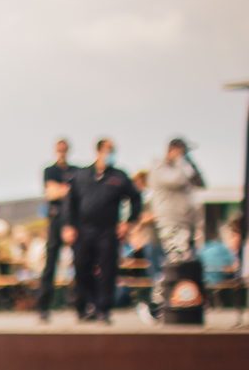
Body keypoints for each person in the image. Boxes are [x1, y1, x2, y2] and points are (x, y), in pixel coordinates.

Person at [63, 138, 144, 323]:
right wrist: (69, 226)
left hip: (108, 230)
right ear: (98, 151)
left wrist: (128, 222)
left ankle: (103, 309)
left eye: (112, 150)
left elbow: (136, 199)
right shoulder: (81, 175)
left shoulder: (119, 176)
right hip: (83, 230)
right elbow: (70, 202)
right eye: (107, 150)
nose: (110, 154)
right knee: (81, 267)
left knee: (108, 270)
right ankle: (85, 306)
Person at [145, 137, 205, 313]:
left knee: (182, 262)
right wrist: (180, 161)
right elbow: (176, 180)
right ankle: (156, 304)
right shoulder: (159, 167)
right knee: (174, 261)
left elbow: (200, 183)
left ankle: (170, 301)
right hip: (170, 222)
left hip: (186, 223)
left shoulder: (184, 168)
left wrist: (191, 163)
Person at [37, 138, 76, 321]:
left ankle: (82, 305)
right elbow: (51, 192)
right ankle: (43, 306)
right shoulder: (50, 170)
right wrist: (65, 190)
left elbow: (72, 192)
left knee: (81, 263)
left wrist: (61, 190)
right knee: (50, 264)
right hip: (55, 220)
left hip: (73, 220)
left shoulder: (75, 170)